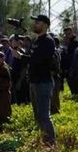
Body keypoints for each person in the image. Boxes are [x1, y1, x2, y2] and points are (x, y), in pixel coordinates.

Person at [24, 15, 57, 145]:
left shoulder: (48, 41)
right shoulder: (36, 40)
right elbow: (32, 57)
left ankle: (51, 143)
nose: (35, 24)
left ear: (44, 25)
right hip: (34, 81)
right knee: (38, 116)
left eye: (37, 22)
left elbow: (39, 60)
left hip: (43, 82)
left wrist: (23, 58)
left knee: (44, 115)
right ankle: (44, 141)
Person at [0, 51, 13, 128]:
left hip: (4, 93)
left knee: (4, 110)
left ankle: (7, 126)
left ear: (2, 59)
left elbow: (7, 82)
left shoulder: (4, 68)